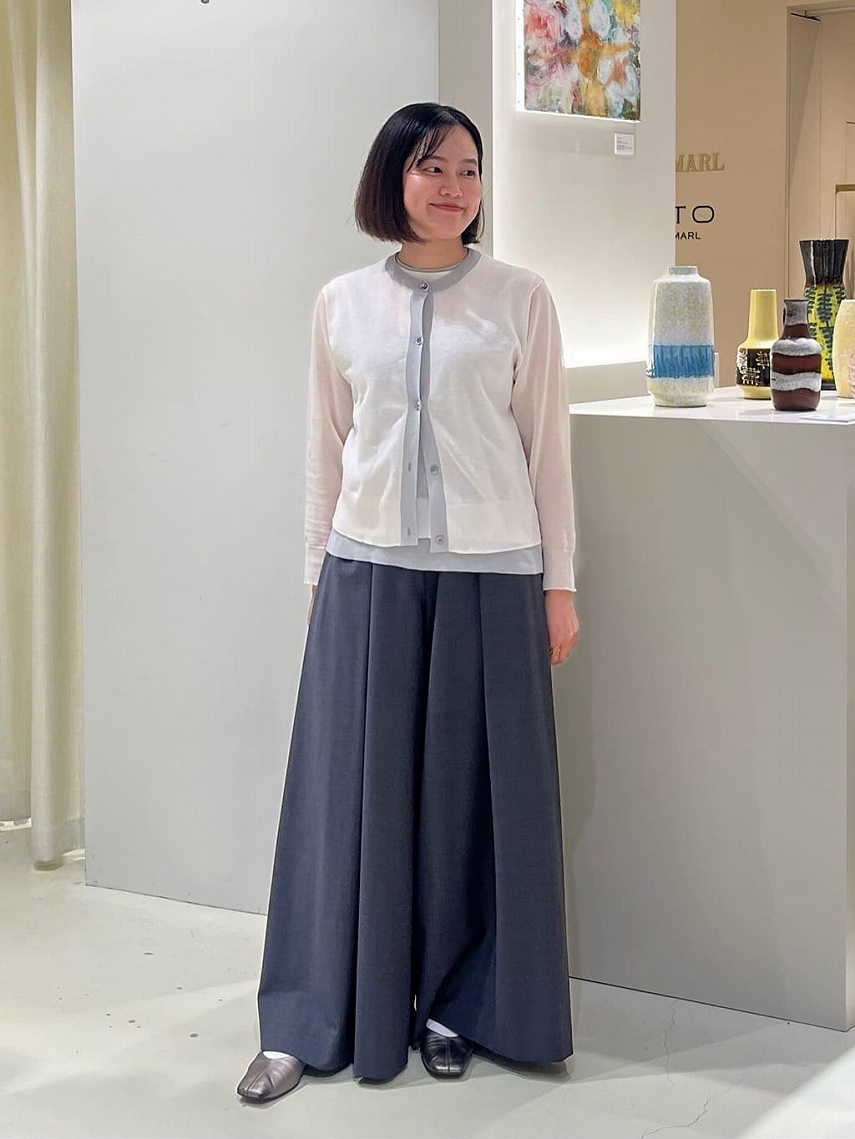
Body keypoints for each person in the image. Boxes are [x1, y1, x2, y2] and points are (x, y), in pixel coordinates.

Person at [237, 102, 579, 1102]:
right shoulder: (341, 302)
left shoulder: (520, 297)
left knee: (474, 804)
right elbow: (325, 449)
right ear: (392, 177)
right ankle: (309, 1014)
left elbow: (548, 449)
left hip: (494, 572)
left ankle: (453, 1005)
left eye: (468, 169)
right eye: (432, 167)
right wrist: (318, 578)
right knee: (344, 802)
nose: (453, 187)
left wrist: (559, 583)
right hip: (368, 570)